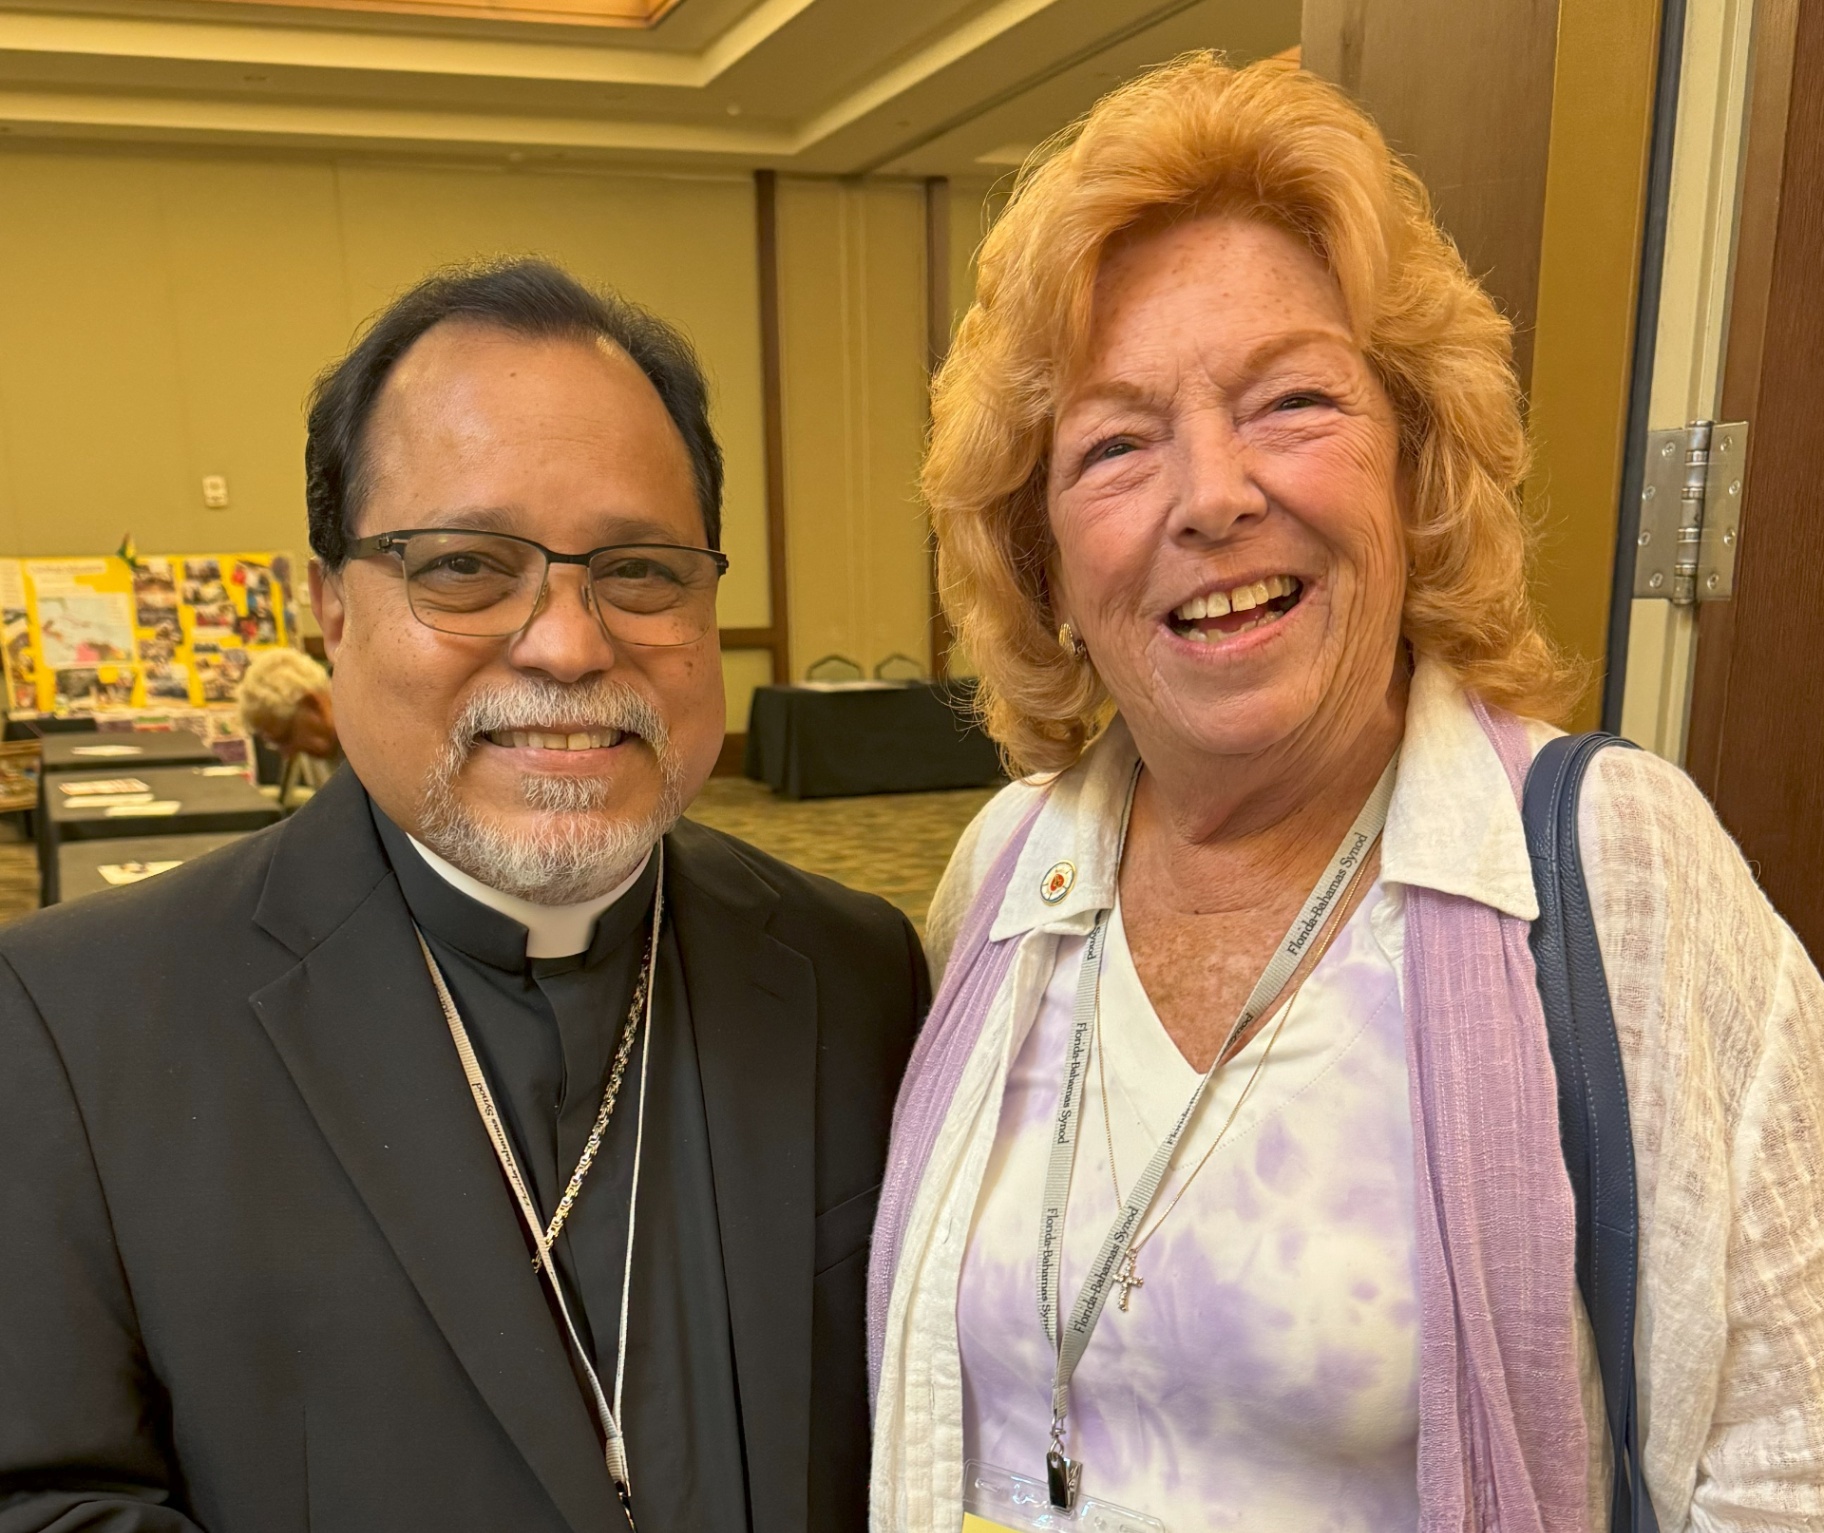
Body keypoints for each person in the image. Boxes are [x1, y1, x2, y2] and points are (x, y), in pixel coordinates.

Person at [868, 54, 1824, 1532]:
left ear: (1414, 461)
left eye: (1291, 403)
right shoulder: (1005, 871)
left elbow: (1795, 1452)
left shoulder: (1606, 865)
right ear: (1040, 551)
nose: (1211, 494)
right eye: (1116, 442)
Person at [0, 259, 929, 1533]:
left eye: (641, 570)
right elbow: (46, 1499)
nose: (566, 642)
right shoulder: (75, 1023)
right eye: (465, 567)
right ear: (332, 606)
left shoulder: (860, 967)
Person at [237, 646, 341, 807]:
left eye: (286, 737)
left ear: (313, 704)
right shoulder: (315, 751)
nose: (287, 754)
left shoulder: (372, 738)